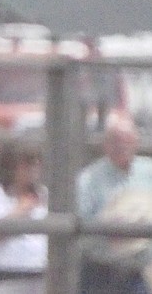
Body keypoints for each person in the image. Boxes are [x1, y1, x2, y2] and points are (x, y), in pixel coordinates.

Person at [78, 112, 152, 294]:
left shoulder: (148, 171)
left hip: (139, 271)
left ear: (135, 141)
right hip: (100, 270)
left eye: (126, 139)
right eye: (115, 140)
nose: (122, 145)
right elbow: (79, 224)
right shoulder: (88, 179)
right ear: (105, 144)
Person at [0, 142, 47, 294]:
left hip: (39, 280)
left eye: (36, 164)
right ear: (10, 167)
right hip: (0, 282)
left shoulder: (44, 195)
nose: (33, 170)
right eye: (27, 165)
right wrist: (22, 209)